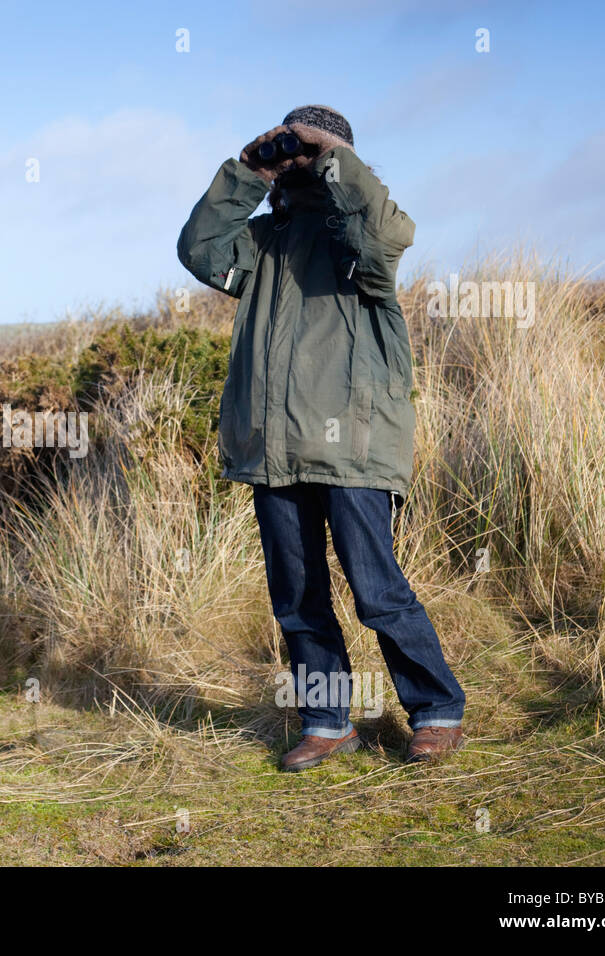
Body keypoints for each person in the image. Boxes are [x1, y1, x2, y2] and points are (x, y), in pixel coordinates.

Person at [176, 105, 465, 771]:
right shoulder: (262, 246)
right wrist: (247, 172)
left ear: (340, 156)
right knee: (298, 601)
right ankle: (328, 722)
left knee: (376, 590)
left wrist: (330, 152)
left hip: (354, 448)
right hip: (273, 450)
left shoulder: (359, 244)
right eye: (292, 149)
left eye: (309, 150)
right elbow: (199, 249)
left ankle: (436, 709)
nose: (298, 160)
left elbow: (387, 227)